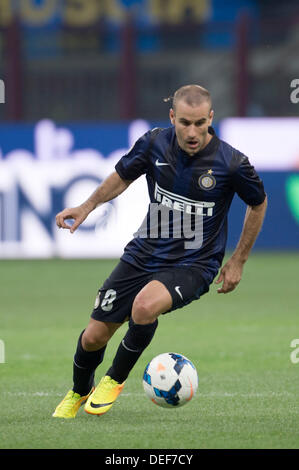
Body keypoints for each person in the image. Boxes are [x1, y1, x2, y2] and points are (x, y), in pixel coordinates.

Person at [52, 84, 267, 418]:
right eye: (185, 123)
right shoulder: (154, 143)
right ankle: (79, 391)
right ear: (172, 118)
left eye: (200, 123)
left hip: (195, 262)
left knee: (144, 306)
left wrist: (238, 260)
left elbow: (258, 203)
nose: (193, 131)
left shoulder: (232, 163)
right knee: (93, 337)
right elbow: (122, 176)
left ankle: (114, 379)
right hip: (145, 251)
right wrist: (86, 206)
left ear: (211, 118)